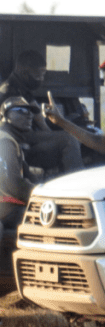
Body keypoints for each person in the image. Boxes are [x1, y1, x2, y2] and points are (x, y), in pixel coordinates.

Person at [0, 50, 85, 175]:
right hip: (20, 144)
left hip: (29, 139)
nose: (41, 80)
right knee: (69, 140)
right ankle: (79, 183)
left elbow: (39, 118)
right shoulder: (8, 91)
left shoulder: (23, 90)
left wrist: (55, 132)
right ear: (24, 73)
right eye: (38, 76)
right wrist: (58, 136)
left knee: (69, 135)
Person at [0, 98, 41, 232]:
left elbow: (29, 177)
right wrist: (43, 197)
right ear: (5, 116)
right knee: (50, 218)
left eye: (30, 111)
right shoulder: (4, 141)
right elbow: (14, 185)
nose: (28, 115)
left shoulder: (11, 141)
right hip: (5, 208)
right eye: (21, 110)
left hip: (6, 207)